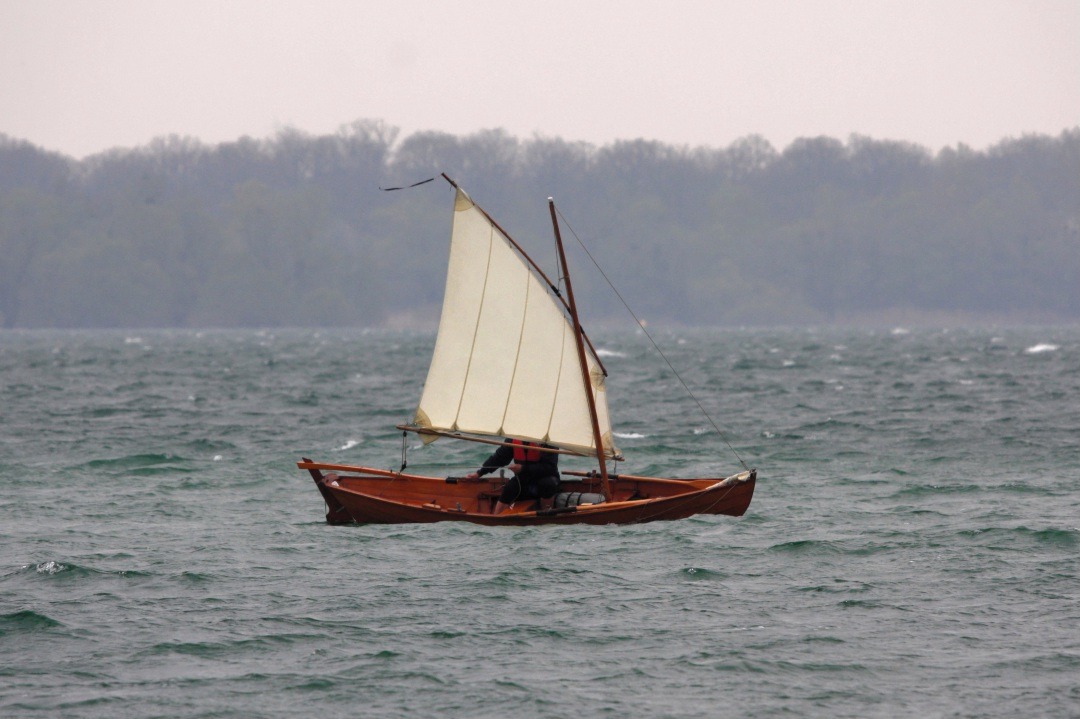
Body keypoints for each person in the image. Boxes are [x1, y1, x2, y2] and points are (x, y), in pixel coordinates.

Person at [466, 438, 560, 514]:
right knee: (509, 488)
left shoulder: (547, 441)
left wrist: (523, 468)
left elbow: (549, 468)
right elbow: (499, 458)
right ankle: (495, 519)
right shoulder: (514, 439)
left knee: (548, 484)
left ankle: (546, 515)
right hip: (523, 480)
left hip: (545, 478)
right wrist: (479, 473)